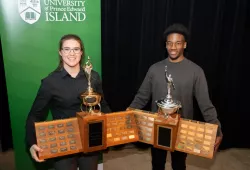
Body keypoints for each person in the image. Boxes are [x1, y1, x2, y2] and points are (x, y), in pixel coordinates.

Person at [128, 23, 223, 170]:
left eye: (178, 43)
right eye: (169, 43)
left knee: (179, 165)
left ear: (184, 45)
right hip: (157, 126)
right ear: (165, 45)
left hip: (182, 128)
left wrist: (217, 127)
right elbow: (142, 96)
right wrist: (129, 111)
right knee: (157, 163)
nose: (173, 47)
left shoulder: (196, 71)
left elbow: (205, 103)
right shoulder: (155, 69)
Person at [25, 34, 111, 170]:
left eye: (76, 49)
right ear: (60, 52)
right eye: (67, 49)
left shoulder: (93, 77)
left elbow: (103, 104)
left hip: (90, 138)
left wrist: (111, 128)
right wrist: (31, 142)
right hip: (63, 141)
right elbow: (35, 115)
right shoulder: (50, 82)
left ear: (81, 52)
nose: (72, 53)